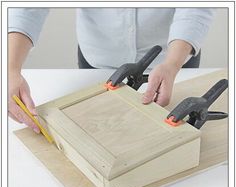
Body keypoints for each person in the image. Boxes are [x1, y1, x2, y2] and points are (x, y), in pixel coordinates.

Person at [8, 8, 214, 133]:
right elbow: (27, 7)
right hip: (97, 57)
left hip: (175, 57)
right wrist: (10, 68)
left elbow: (195, 7)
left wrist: (172, 64)